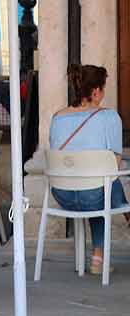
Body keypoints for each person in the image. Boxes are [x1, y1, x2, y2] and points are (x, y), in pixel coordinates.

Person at [46, 63, 127, 274]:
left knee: (97, 182)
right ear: (96, 91)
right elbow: (114, 164)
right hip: (93, 195)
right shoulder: (109, 118)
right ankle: (98, 257)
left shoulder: (57, 117)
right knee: (106, 183)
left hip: (62, 195)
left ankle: (98, 259)